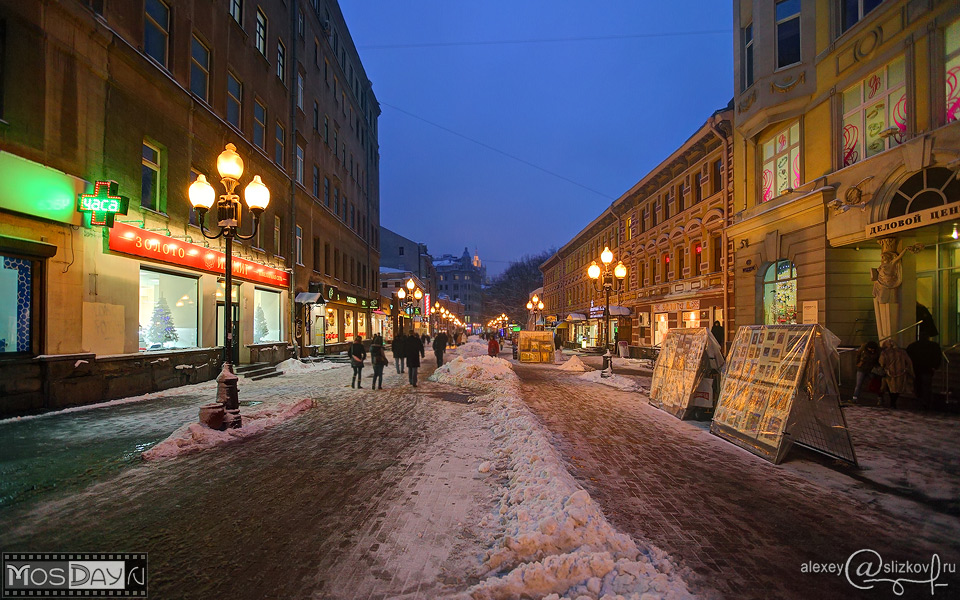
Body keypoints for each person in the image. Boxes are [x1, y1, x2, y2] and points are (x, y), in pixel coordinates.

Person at [907, 335, 942, 409]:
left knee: (918, 384)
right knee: (926, 386)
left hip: (917, 368)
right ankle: (925, 401)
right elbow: (938, 356)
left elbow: (908, 358)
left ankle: (920, 399)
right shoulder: (933, 346)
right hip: (927, 369)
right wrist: (935, 366)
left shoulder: (913, 346)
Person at [878, 339, 913, 409]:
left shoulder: (885, 353)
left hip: (889, 373)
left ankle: (890, 402)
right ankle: (893, 403)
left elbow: (881, 362)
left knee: (889, 388)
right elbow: (909, 362)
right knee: (897, 389)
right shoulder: (902, 352)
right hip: (901, 372)